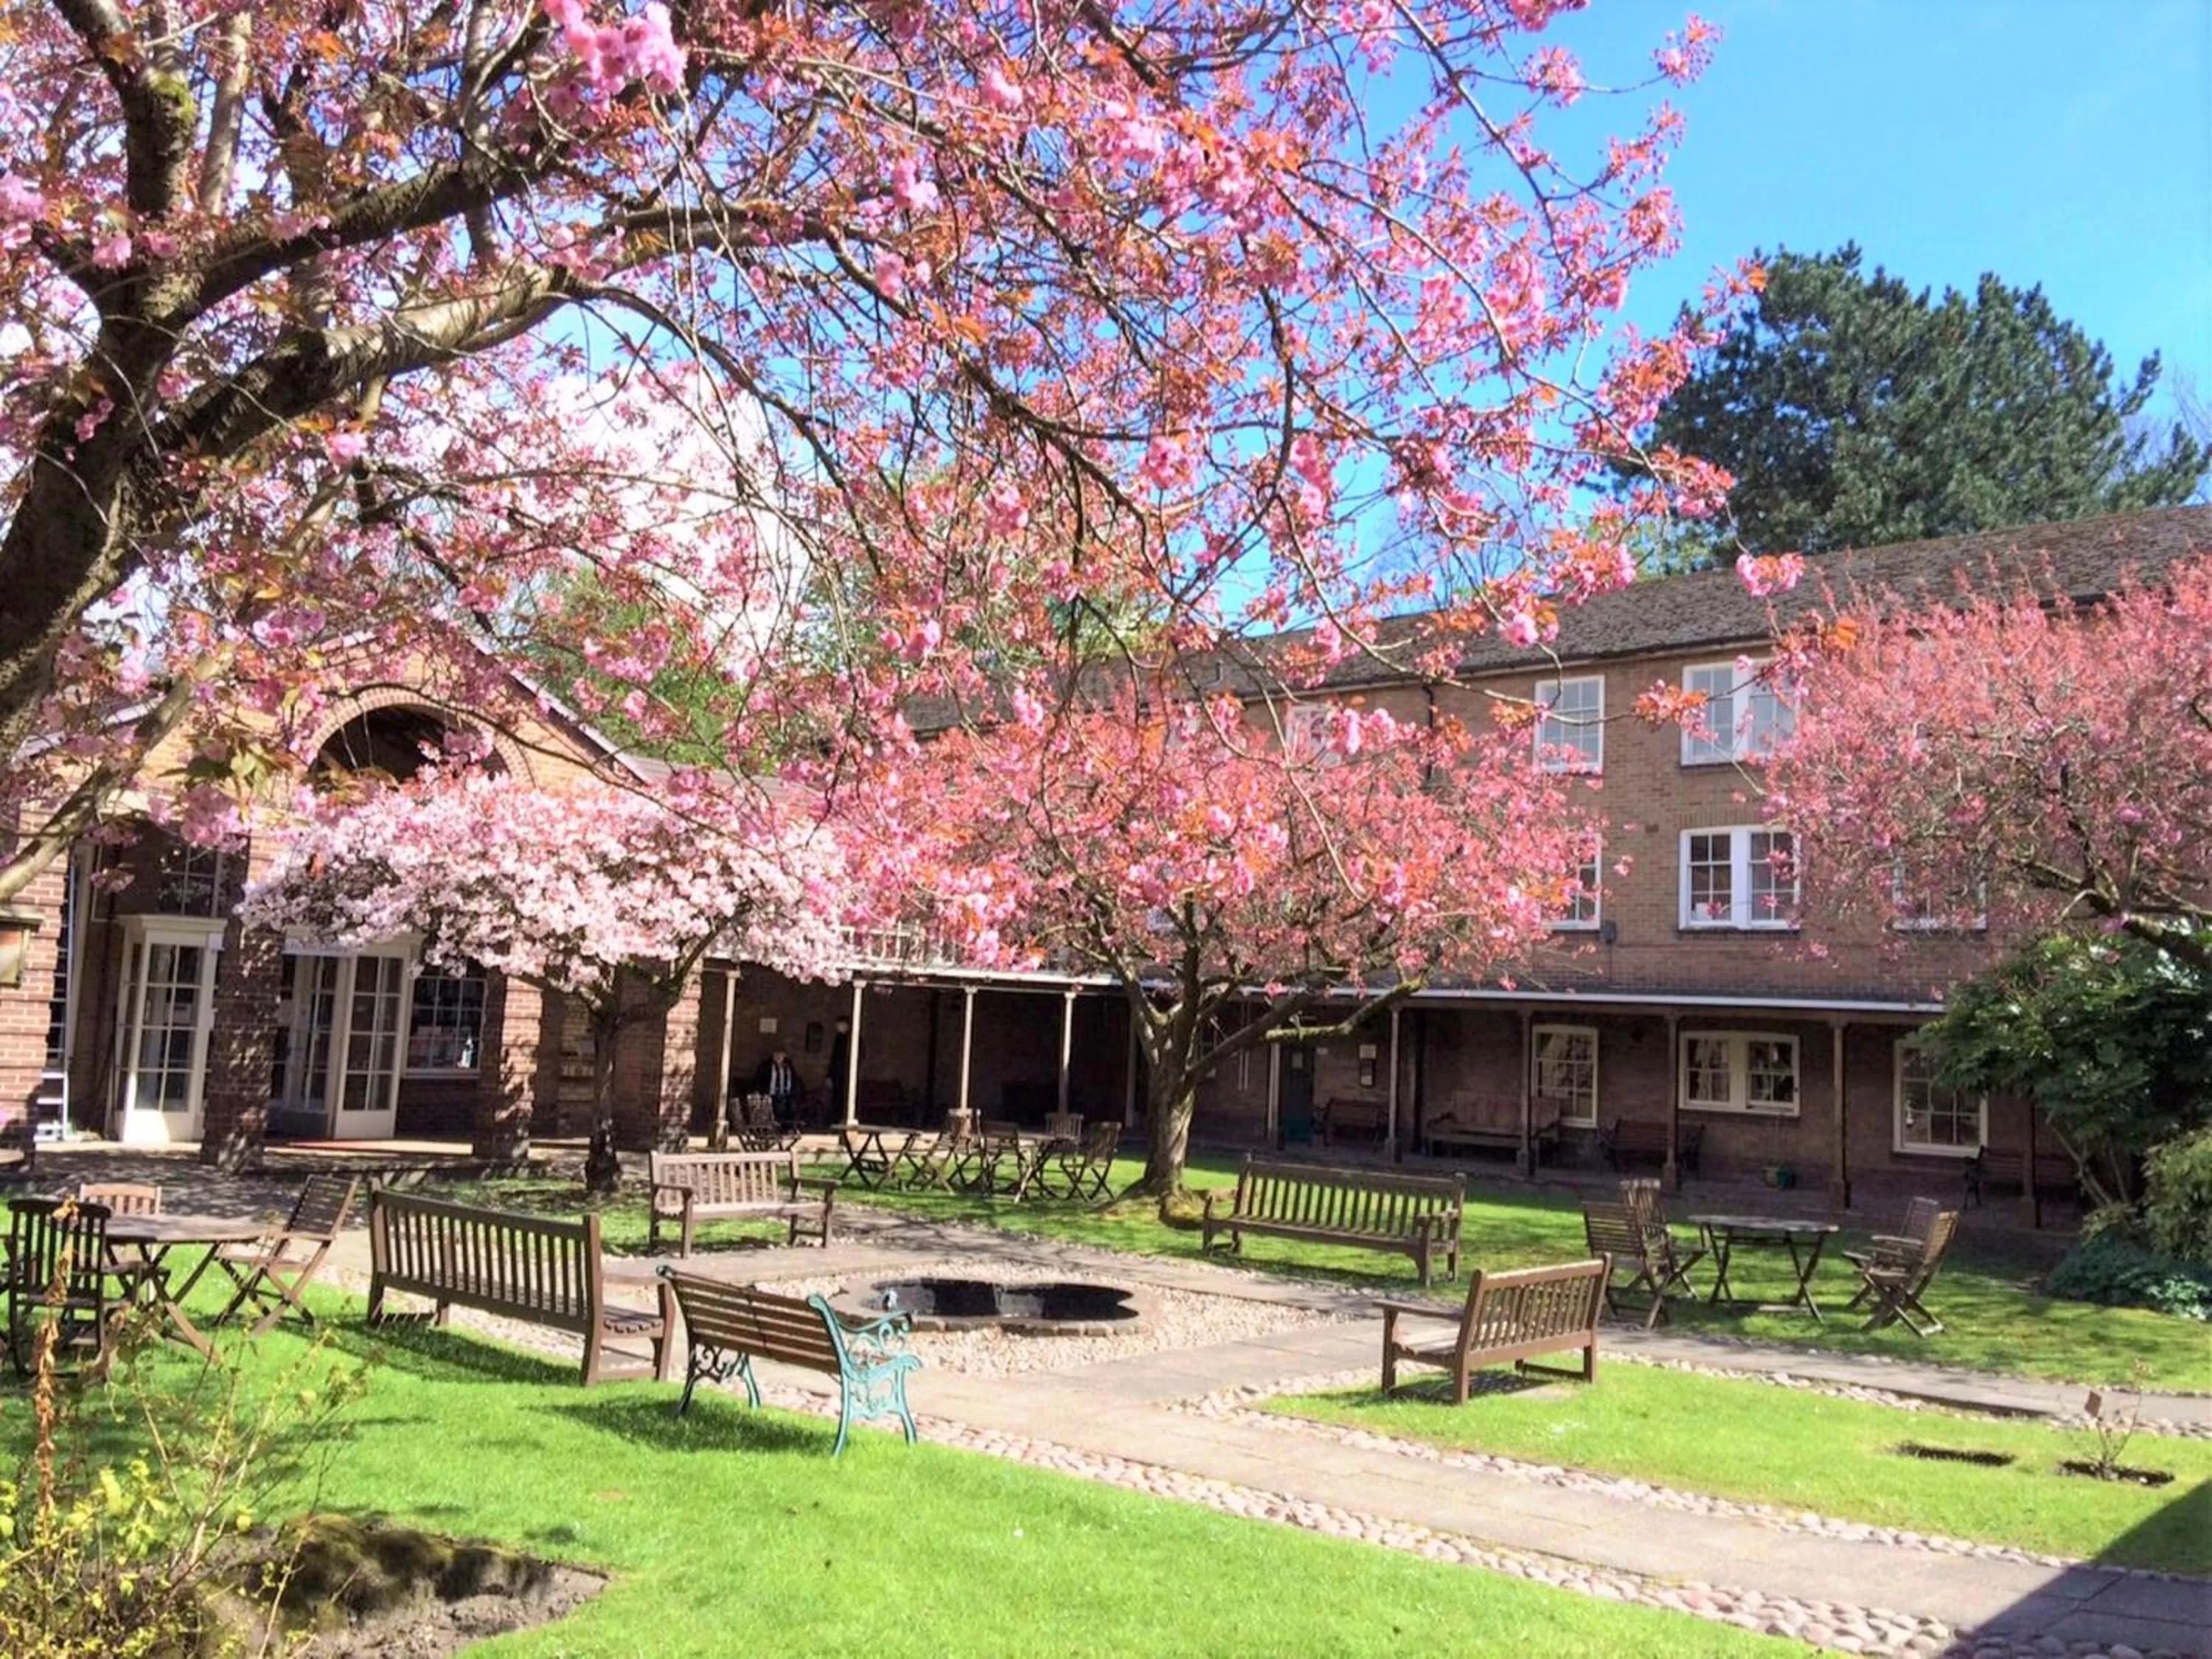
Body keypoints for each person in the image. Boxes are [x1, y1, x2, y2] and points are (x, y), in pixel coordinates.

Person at [749, 1046, 802, 1127]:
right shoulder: (766, 1066)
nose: (778, 1057)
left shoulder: (788, 1066)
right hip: (770, 1094)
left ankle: (788, 1127)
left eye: (781, 1055)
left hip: (786, 1095)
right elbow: (758, 1080)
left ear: (785, 1056)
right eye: (776, 1054)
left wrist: (795, 1093)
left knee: (792, 1106)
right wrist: (758, 1092)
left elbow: (795, 1080)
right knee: (776, 1106)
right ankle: (775, 1126)